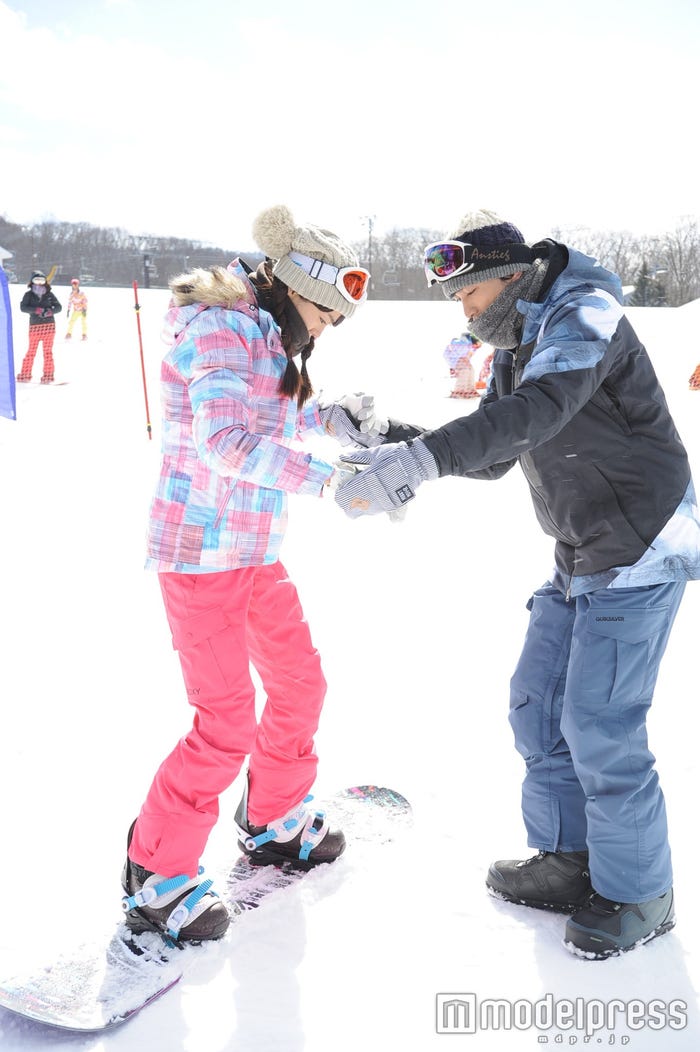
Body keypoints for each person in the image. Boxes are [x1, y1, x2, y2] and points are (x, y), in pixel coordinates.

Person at [334, 208, 700, 959]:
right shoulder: (516, 336)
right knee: (538, 707)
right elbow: (500, 448)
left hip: (641, 540)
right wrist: (393, 442)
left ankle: (641, 892)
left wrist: (421, 465)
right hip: (581, 544)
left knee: (600, 723)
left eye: (466, 296)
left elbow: (540, 410)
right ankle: (570, 860)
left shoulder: (584, 312)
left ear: (505, 277)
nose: (463, 314)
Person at [121, 204, 383, 945]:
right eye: (325, 312)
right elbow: (226, 440)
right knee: (226, 720)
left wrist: (331, 420)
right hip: (200, 553)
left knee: (302, 683)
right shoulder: (218, 327)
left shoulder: (265, 331)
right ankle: (157, 870)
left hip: (254, 548)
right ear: (288, 285)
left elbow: (269, 417)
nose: (326, 329)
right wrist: (331, 484)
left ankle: (274, 819)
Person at [16, 271, 62, 383]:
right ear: (31, 282)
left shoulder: (49, 294)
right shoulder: (28, 295)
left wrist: (49, 311)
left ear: (45, 282)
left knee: (47, 352)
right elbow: (23, 307)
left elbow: (59, 307)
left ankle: (48, 375)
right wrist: (36, 310)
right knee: (31, 351)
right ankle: (25, 374)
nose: (39, 283)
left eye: (42, 280)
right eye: (36, 280)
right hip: (35, 327)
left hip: (49, 327)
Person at [443, 331, 481, 398]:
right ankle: (460, 391)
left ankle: (468, 390)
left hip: (460, 359)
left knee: (470, 371)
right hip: (458, 360)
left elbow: (468, 356)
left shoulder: (471, 347)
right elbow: (452, 354)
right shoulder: (465, 345)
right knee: (465, 372)